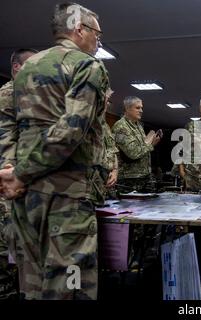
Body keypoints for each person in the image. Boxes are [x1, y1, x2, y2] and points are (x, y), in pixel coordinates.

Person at [0, 3, 109, 299]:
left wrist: (10, 173)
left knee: (31, 284)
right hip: (67, 200)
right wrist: (19, 174)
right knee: (70, 285)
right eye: (97, 34)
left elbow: (6, 127)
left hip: (25, 202)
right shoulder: (87, 66)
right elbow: (72, 129)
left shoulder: (24, 72)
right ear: (79, 29)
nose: (99, 41)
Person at [0, 48, 38, 299]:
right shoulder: (10, 93)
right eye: (32, 66)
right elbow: (6, 139)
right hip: (7, 183)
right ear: (17, 68)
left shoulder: (26, 94)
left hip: (15, 182)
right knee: (8, 245)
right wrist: (12, 175)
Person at [112, 96, 161, 194]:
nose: (141, 110)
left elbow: (142, 146)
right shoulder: (121, 126)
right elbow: (133, 153)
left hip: (143, 176)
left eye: (141, 108)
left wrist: (150, 141)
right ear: (127, 108)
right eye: (137, 108)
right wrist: (152, 145)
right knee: (130, 208)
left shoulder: (138, 125)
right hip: (129, 179)